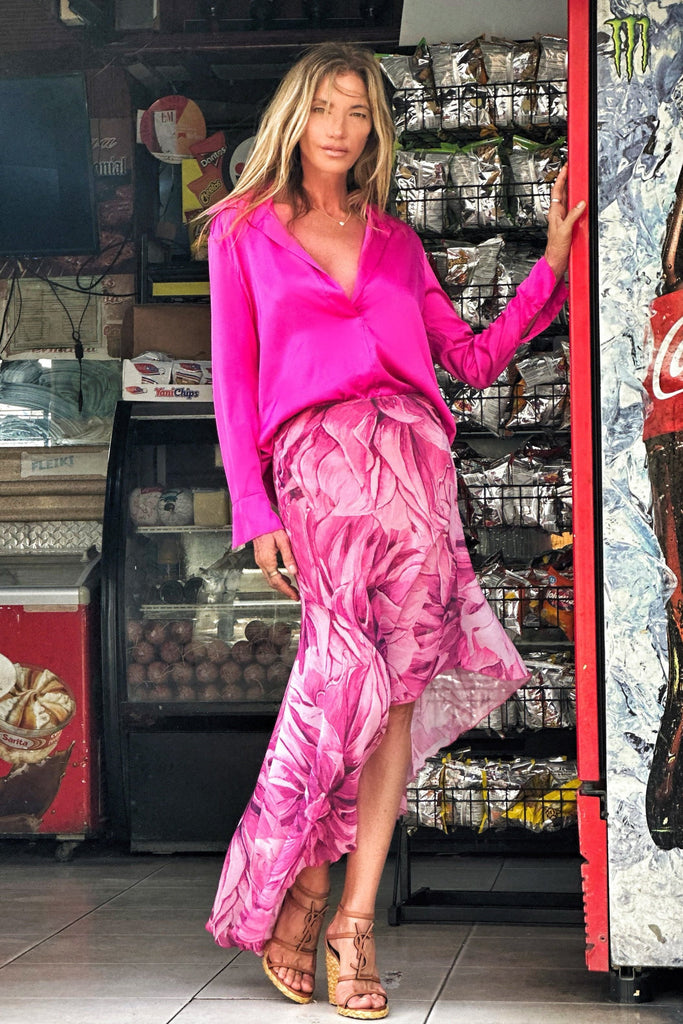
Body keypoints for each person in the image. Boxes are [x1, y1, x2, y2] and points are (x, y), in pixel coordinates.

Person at [203, 41, 585, 1020]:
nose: (340, 129)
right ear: (294, 118)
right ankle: (295, 886)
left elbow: (469, 359)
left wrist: (547, 266)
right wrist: (254, 511)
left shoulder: (398, 245)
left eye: (357, 113)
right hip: (319, 476)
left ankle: (352, 918)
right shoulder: (241, 230)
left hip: (416, 479)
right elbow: (232, 381)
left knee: (398, 700)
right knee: (340, 686)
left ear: (375, 131)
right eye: (324, 108)